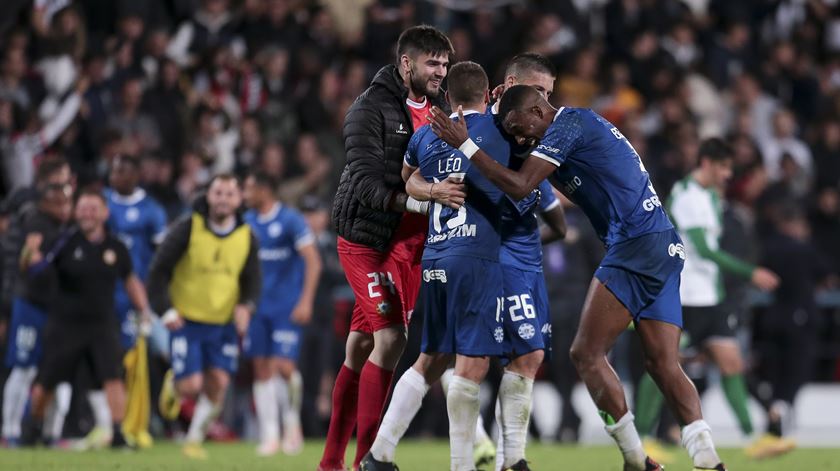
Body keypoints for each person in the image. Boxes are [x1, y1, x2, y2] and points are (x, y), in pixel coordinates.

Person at [428, 85, 727, 471]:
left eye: (522, 127)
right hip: (663, 246)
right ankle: (709, 461)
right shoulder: (558, 131)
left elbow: (520, 185)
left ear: (539, 109)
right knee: (663, 363)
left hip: (635, 245)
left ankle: (636, 459)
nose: (521, 138)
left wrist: (467, 145)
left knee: (585, 354)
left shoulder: (571, 123)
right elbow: (514, 154)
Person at [363, 52, 567, 471]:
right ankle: (473, 464)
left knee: (436, 357)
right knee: (473, 363)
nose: (543, 105)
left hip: (440, 255)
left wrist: (431, 190)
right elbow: (552, 213)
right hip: (483, 259)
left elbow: (407, 177)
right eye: (538, 95)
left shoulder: (429, 134)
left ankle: (379, 453)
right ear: (502, 89)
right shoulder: (501, 136)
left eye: (547, 95)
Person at [321, 25, 453, 471]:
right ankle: (368, 461)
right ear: (406, 64)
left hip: (414, 246)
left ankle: (329, 463)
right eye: (432, 63)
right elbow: (363, 183)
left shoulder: (440, 108)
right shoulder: (368, 109)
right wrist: (422, 198)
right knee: (392, 340)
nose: (440, 71)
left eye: (445, 64)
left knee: (360, 348)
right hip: (369, 243)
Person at [633, 138, 781, 462]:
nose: (728, 174)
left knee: (732, 363)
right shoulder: (687, 197)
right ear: (708, 164)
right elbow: (704, 249)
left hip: (711, 299)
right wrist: (750, 272)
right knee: (663, 365)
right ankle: (643, 438)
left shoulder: (708, 197)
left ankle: (752, 438)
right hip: (686, 298)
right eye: (724, 167)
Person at [24, 190, 152, 449]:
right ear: (75, 212)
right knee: (46, 381)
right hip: (65, 324)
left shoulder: (116, 247)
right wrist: (30, 254)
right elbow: (37, 268)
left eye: (93, 208)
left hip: (102, 324)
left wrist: (145, 309)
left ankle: (118, 433)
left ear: (105, 213)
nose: (87, 213)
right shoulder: (64, 241)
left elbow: (130, 279)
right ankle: (33, 429)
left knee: (113, 377)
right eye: (82, 208)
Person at [148, 174, 261, 460]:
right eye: (218, 193)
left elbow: (252, 280)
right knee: (191, 386)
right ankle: (173, 386)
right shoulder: (188, 228)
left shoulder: (247, 236)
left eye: (229, 193)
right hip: (186, 321)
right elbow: (158, 271)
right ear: (208, 197)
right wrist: (166, 309)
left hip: (222, 323)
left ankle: (193, 439)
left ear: (239, 200)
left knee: (219, 384)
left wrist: (246, 306)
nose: (223, 199)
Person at [74, 154, 168, 449]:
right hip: (100, 299)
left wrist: (154, 299)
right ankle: (108, 423)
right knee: (102, 362)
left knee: (147, 358)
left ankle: (144, 418)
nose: (116, 176)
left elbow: (162, 258)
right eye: (113, 170)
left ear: (136, 175)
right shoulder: (104, 206)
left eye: (123, 171)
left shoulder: (152, 211)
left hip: (136, 299)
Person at [242, 171, 322, 456]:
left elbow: (313, 262)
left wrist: (305, 301)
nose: (244, 195)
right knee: (261, 369)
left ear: (264, 190)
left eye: (249, 189)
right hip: (257, 307)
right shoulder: (247, 223)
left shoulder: (290, 219)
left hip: (286, 306)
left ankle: (291, 425)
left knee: (284, 367)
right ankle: (270, 435)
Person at [1, 172, 73, 447]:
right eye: (58, 202)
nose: (64, 207)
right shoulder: (36, 222)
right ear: (47, 202)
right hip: (31, 306)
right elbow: (26, 261)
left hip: (60, 310)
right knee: (24, 368)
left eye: (67, 202)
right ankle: (10, 430)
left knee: (59, 372)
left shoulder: (72, 228)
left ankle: (52, 433)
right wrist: (33, 261)